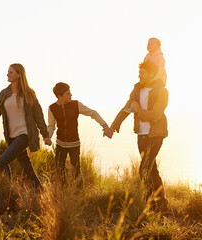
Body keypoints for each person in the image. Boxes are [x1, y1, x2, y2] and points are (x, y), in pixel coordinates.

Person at [0, 63, 51, 189]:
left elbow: (38, 116)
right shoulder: (3, 94)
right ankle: (40, 190)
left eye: (11, 72)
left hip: (25, 134)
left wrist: (45, 135)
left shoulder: (29, 94)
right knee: (26, 166)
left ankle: (8, 190)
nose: (7, 74)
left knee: (2, 161)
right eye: (8, 72)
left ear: (19, 75)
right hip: (12, 136)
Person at [109, 61, 169, 211]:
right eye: (139, 73)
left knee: (144, 169)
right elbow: (127, 108)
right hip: (141, 135)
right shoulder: (137, 89)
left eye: (143, 73)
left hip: (155, 135)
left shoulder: (162, 91)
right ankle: (162, 203)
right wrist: (113, 126)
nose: (139, 76)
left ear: (152, 74)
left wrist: (139, 110)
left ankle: (151, 204)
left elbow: (156, 115)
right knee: (152, 169)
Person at [48, 82, 112, 187]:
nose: (71, 95)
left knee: (76, 170)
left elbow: (93, 113)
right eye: (68, 93)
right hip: (60, 144)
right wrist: (48, 137)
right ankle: (62, 194)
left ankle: (79, 193)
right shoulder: (52, 108)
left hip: (74, 144)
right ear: (60, 96)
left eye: (70, 92)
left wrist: (105, 126)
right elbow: (51, 126)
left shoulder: (76, 105)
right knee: (59, 170)